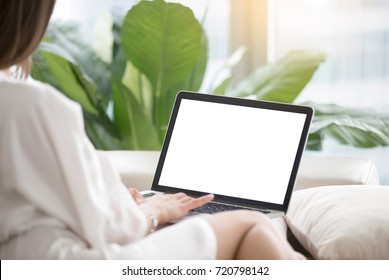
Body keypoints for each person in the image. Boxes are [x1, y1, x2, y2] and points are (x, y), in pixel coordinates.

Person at [0, 0, 304, 260]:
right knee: (251, 223)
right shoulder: (31, 103)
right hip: (62, 260)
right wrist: (155, 209)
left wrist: (122, 205)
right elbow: (110, 229)